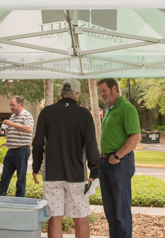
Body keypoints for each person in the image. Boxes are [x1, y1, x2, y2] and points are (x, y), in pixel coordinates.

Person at [32, 79, 100, 238]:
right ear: (76, 94)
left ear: (60, 93)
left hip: (52, 176)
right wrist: (95, 173)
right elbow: (91, 145)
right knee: (80, 218)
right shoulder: (84, 114)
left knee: (55, 219)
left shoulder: (47, 112)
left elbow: (37, 143)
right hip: (77, 176)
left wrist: (36, 167)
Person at [97, 78, 141, 238]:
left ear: (114, 88)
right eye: (100, 91)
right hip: (105, 163)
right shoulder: (109, 109)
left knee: (121, 211)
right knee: (110, 211)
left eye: (104, 90)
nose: (101, 94)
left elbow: (136, 137)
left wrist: (117, 156)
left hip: (119, 163)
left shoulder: (126, 108)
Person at [0, 96, 34, 197]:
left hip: (22, 150)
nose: (11, 108)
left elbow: (28, 129)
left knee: (20, 179)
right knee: (4, 178)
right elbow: (9, 132)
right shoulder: (12, 117)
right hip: (11, 150)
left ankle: (19, 201)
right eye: (10, 106)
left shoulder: (27, 115)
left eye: (13, 105)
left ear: (20, 104)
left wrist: (12, 124)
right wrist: (3, 132)